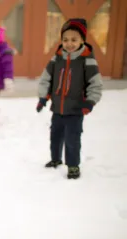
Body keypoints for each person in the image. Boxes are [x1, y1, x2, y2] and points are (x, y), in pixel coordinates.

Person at [37, 18, 102, 179]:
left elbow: (95, 84)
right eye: (65, 40)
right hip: (58, 108)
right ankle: (55, 159)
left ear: (82, 40)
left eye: (74, 39)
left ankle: (73, 165)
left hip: (76, 109)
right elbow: (46, 78)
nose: (69, 43)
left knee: (72, 139)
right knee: (55, 136)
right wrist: (43, 97)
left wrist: (90, 102)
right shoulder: (56, 58)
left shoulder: (87, 60)